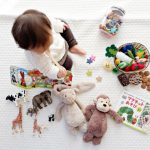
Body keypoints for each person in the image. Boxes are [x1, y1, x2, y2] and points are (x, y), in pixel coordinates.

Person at [11, 9, 86, 79]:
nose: (47, 47)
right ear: (29, 49)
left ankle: (72, 45)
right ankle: (62, 71)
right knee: (69, 64)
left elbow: (53, 22)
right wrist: (57, 73)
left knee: (63, 25)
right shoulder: (36, 58)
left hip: (62, 43)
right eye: (43, 47)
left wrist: (59, 25)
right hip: (58, 59)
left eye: (48, 41)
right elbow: (48, 70)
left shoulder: (46, 23)